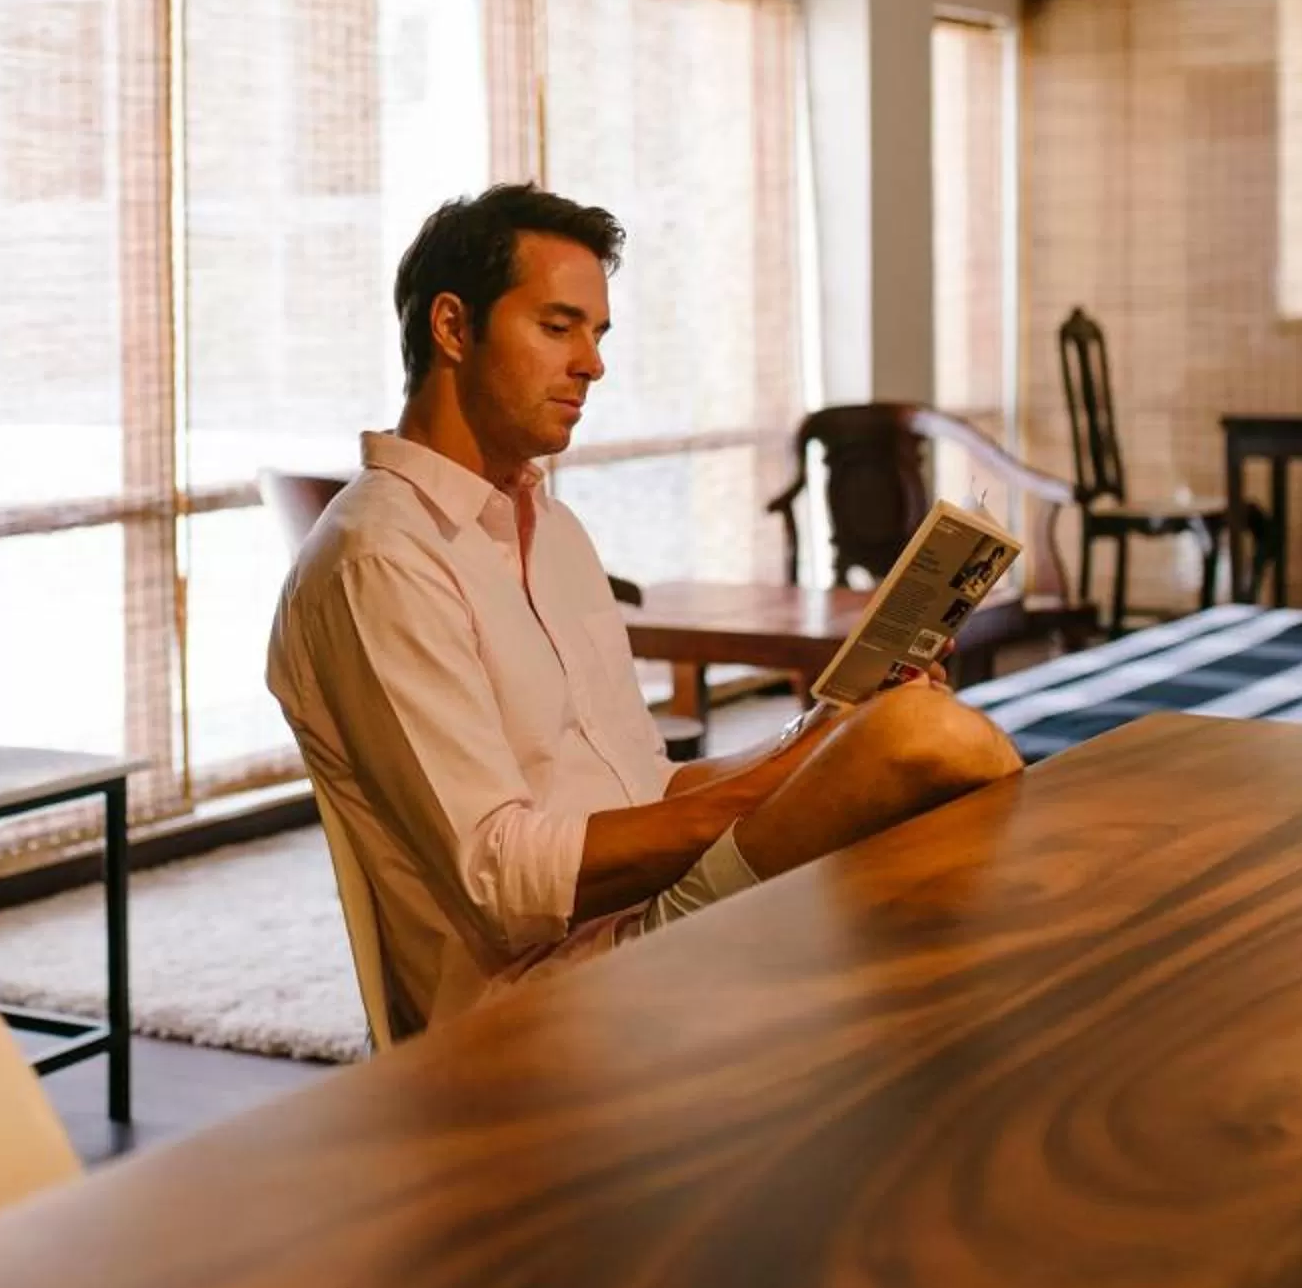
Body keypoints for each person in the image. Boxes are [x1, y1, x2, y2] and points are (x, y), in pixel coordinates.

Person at [266, 184, 1022, 1039]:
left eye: (597, 334)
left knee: (914, 743)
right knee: (918, 741)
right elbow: (505, 888)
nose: (592, 363)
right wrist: (804, 775)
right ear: (451, 328)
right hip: (539, 1002)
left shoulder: (551, 531)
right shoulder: (378, 559)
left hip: (639, 919)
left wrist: (812, 738)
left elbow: (648, 786)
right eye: (558, 327)